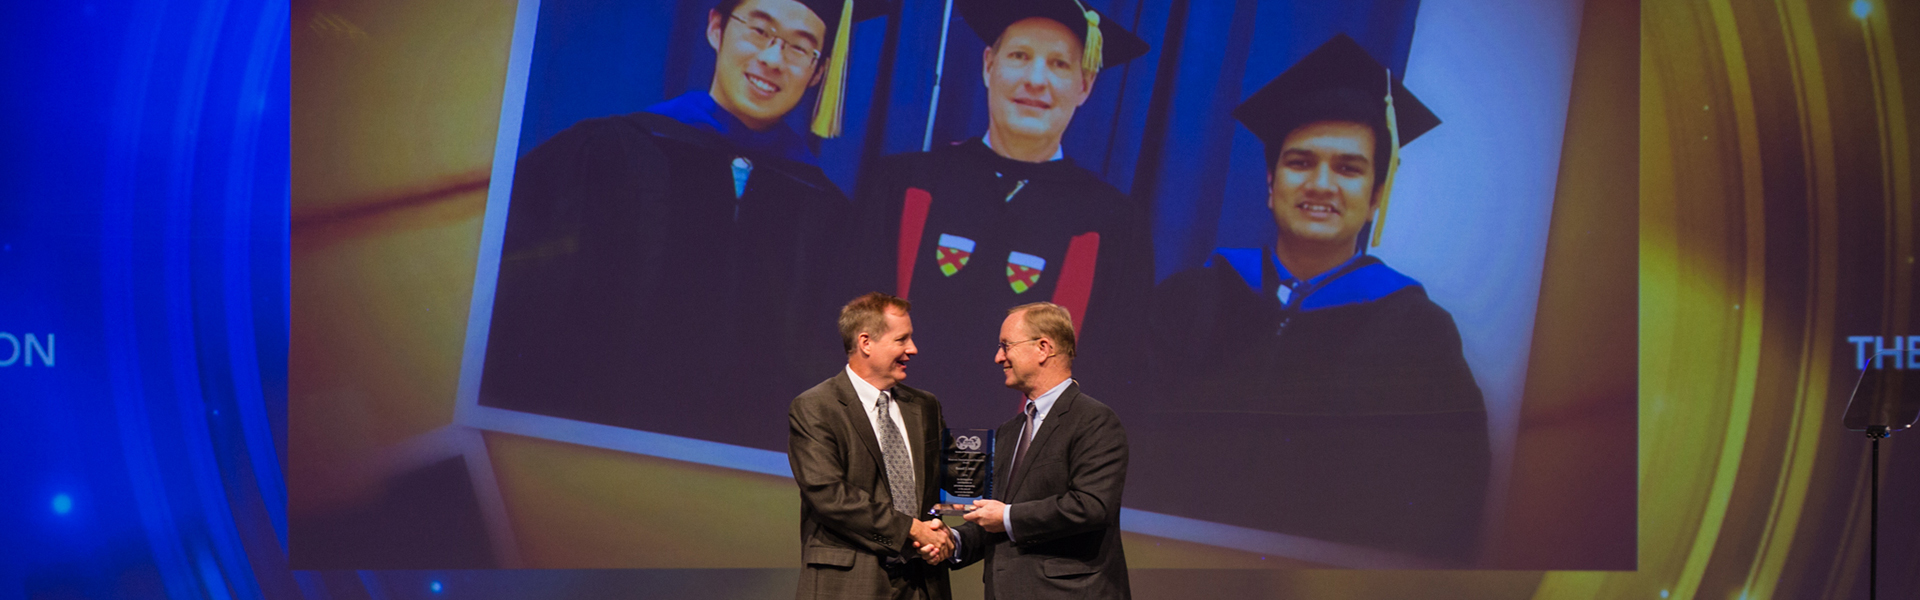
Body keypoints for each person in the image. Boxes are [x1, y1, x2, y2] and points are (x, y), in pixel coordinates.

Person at [1134, 33, 1490, 563]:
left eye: (1348, 168)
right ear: (1272, 182)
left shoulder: (1418, 334)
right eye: (1301, 162)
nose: (1322, 183)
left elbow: (1445, 503)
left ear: (1375, 196)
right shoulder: (1188, 303)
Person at [478, 0, 888, 452]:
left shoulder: (828, 214)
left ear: (818, 72)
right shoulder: (608, 153)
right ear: (716, 28)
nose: (772, 60)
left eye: (799, 47)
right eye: (759, 30)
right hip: (587, 445)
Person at [851, 0, 1153, 428]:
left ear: (1085, 85)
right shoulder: (905, 186)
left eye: (1059, 64)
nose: (1036, 79)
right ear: (989, 64)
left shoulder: (1112, 225)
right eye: (1019, 56)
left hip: (1025, 481)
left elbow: (1113, 377)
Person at [943, 302, 1130, 598]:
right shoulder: (1009, 431)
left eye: (1006, 345)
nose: (998, 357)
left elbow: (1091, 506)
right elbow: (998, 517)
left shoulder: (1094, 420)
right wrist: (953, 541)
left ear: (1044, 348)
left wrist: (1006, 517)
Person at [789, 293, 957, 600]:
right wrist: (910, 530)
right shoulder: (816, 407)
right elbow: (829, 495)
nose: (913, 349)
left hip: (923, 583)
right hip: (849, 584)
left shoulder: (925, 406)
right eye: (902, 339)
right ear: (866, 342)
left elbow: (954, 475)